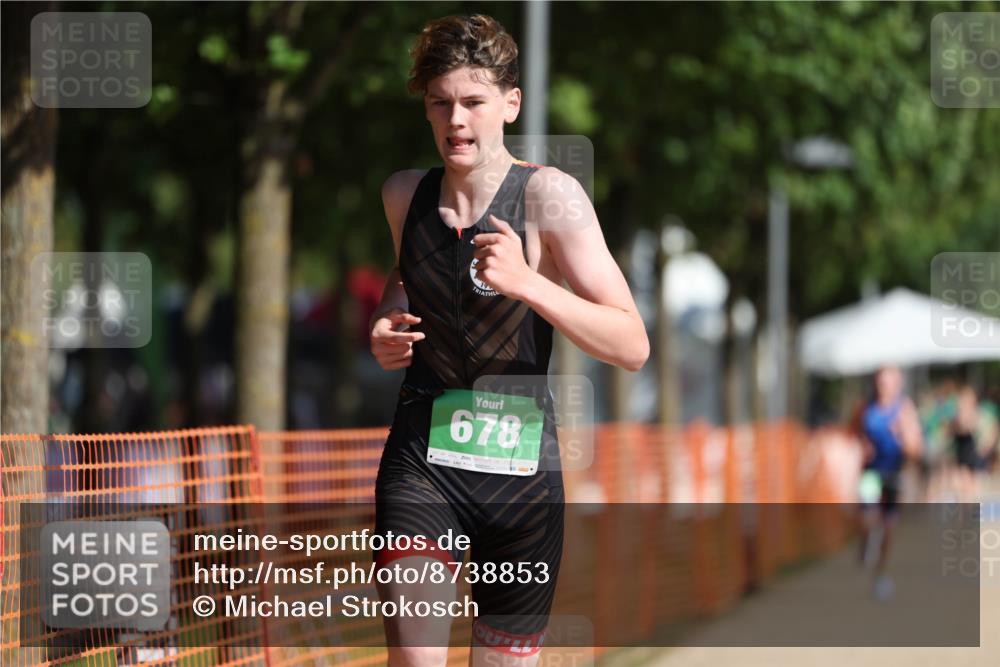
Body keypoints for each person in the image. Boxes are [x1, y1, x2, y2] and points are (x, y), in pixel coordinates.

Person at [367, 14, 649, 667]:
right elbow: (406, 279)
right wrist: (386, 323)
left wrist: (531, 284)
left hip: (520, 484)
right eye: (440, 103)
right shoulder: (403, 195)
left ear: (510, 104)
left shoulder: (552, 198)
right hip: (422, 464)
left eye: (473, 102)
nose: (455, 120)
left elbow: (632, 343)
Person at [857, 365, 922, 600]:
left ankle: (880, 575)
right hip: (870, 473)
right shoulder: (866, 407)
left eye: (888, 380)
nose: (883, 385)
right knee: (868, 515)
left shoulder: (904, 410)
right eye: (880, 380)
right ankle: (866, 543)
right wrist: (862, 445)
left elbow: (916, 450)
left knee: (889, 527)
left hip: (894, 473)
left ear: (898, 383)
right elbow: (852, 432)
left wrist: (902, 437)